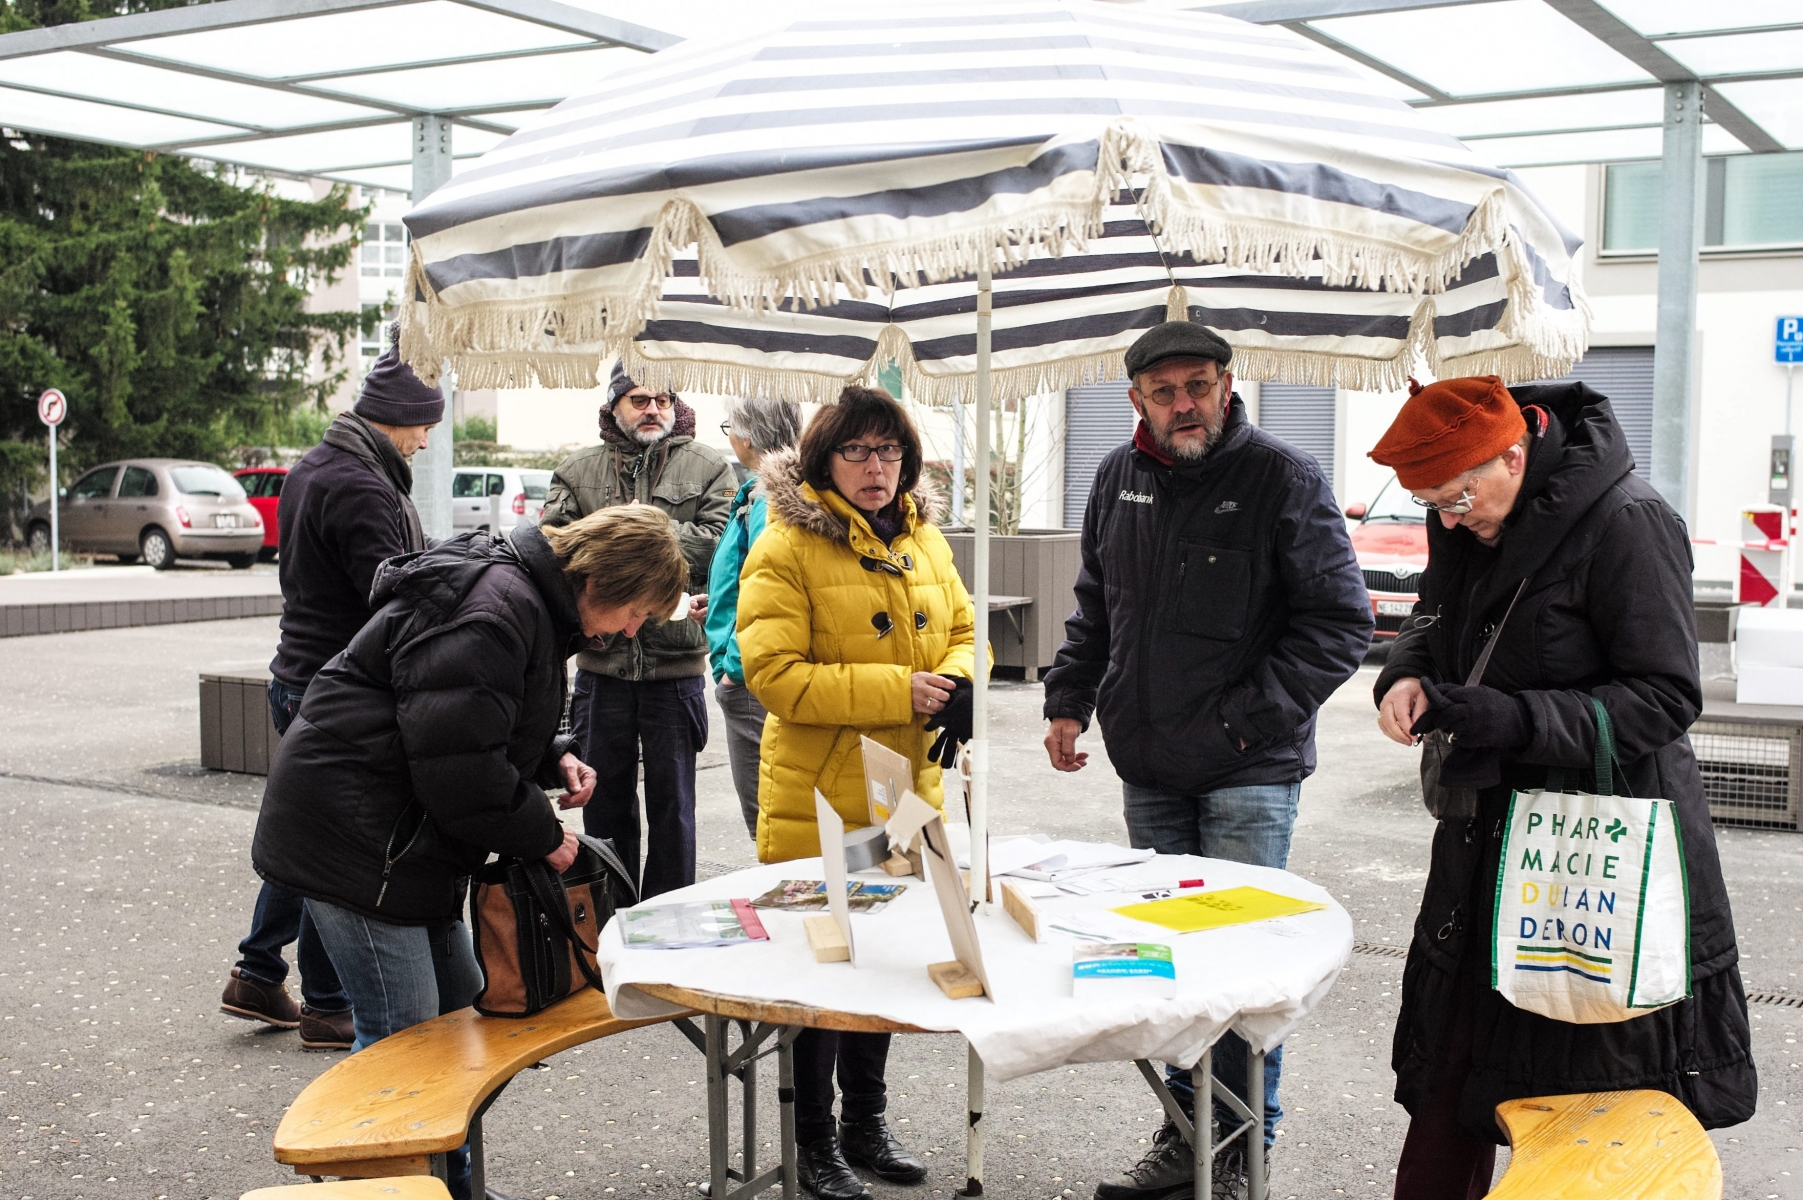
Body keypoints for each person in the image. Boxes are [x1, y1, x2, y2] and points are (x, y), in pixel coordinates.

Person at [1368, 376, 1757, 1199]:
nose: (1446, 519)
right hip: (1486, 845)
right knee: (1453, 1080)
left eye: (1456, 496)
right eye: (1428, 504)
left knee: (1597, 1097)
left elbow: (1664, 698)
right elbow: (1433, 617)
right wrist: (1403, 674)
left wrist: (1507, 719)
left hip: (1595, 853)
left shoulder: (1628, 521)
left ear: (1514, 452)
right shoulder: (1467, 518)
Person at [251, 505, 686, 1200]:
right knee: (404, 1050)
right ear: (602, 581)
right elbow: (458, 769)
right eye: (636, 612)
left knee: (459, 1028)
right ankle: (393, 1186)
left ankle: (450, 1187)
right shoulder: (497, 610)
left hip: (404, 844)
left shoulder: (528, 603)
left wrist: (551, 758)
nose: (632, 630)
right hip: (357, 846)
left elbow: (468, 724)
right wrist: (548, 838)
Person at [1040, 321, 1373, 1199]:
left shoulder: (1283, 478)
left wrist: (1241, 726)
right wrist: (1069, 698)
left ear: (1227, 384)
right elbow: (1095, 607)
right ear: (1136, 401)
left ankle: (1238, 1154)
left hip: (1246, 773)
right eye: (1164, 391)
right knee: (1171, 969)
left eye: (1197, 386)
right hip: (1147, 766)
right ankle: (1183, 1138)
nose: (1183, 404)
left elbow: (1339, 624)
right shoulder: (1117, 478)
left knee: (1242, 966)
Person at [737, 386, 983, 1200]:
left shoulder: (922, 538)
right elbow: (773, 676)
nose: (877, 470)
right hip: (820, 793)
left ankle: (865, 1122)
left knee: (885, 960)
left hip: (906, 788)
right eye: (857, 453)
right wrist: (898, 691)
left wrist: (955, 682)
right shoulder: (782, 548)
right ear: (822, 462)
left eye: (889, 453)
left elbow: (960, 630)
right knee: (822, 969)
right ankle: (812, 1139)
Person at [219, 334, 442, 1051]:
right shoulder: (360, 484)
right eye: (424, 424)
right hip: (336, 679)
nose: (427, 440)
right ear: (399, 413)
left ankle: (264, 974)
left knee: (309, 832)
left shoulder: (319, 464)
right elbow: (390, 594)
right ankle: (317, 1000)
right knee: (331, 845)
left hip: (301, 671)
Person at [544, 363, 737, 899]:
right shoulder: (576, 469)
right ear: (614, 408)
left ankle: (674, 916)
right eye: (638, 399)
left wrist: (644, 525)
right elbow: (555, 546)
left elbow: (720, 544)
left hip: (674, 667)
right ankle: (614, 914)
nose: (653, 409)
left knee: (675, 809)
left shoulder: (709, 467)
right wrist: (621, 535)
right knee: (605, 808)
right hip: (600, 666)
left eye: (662, 399)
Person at [706, 395, 805, 837]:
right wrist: (720, 610)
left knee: (767, 822)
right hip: (753, 666)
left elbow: (775, 590)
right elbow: (756, 579)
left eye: (729, 427)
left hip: (752, 676)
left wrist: (734, 668)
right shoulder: (773, 490)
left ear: (746, 436)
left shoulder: (769, 497)